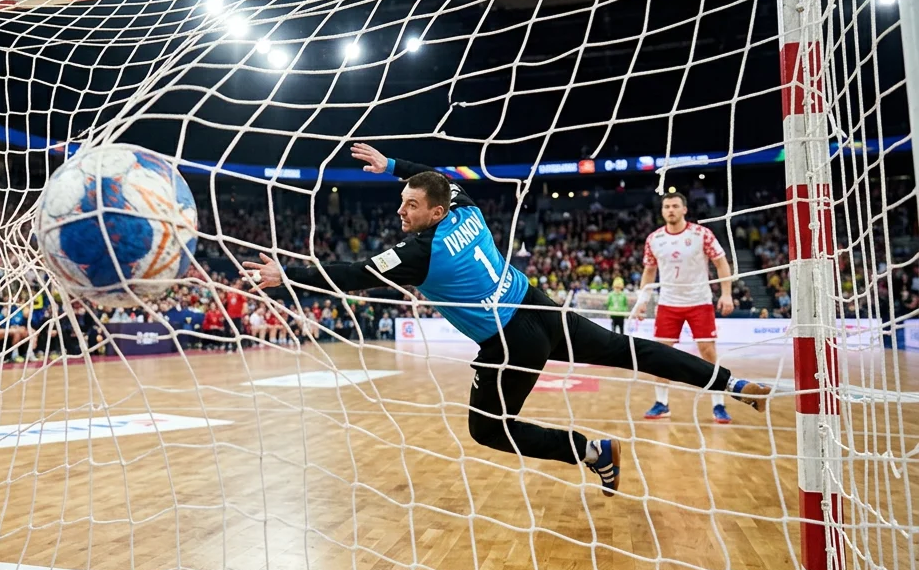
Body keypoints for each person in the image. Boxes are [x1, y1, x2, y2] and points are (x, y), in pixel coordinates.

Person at [243, 142, 770, 496]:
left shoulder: (417, 253)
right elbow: (443, 179)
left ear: (435, 212)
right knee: (630, 352)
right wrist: (393, 167)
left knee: (488, 430)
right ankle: (733, 383)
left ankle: (590, 449)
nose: (400, 210)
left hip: (510, 340)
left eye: (410, 204)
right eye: (401, 202)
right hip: (536, 303)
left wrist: (284, 277)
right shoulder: (467, 209)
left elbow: (350, 273)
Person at [629, 192, 737, 424]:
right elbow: (649, 272)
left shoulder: (701, 234)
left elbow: (721, 262)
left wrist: (726, 294)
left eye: (675, 206)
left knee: (708, 352)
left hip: (699, 301)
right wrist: (642, 301)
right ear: (662, 211)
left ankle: (718, 403)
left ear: (684, 209)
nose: (671, 210)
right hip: (668, 303)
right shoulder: (654, 239)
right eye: (667, 206)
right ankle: (662, 403)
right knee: (660, 354)